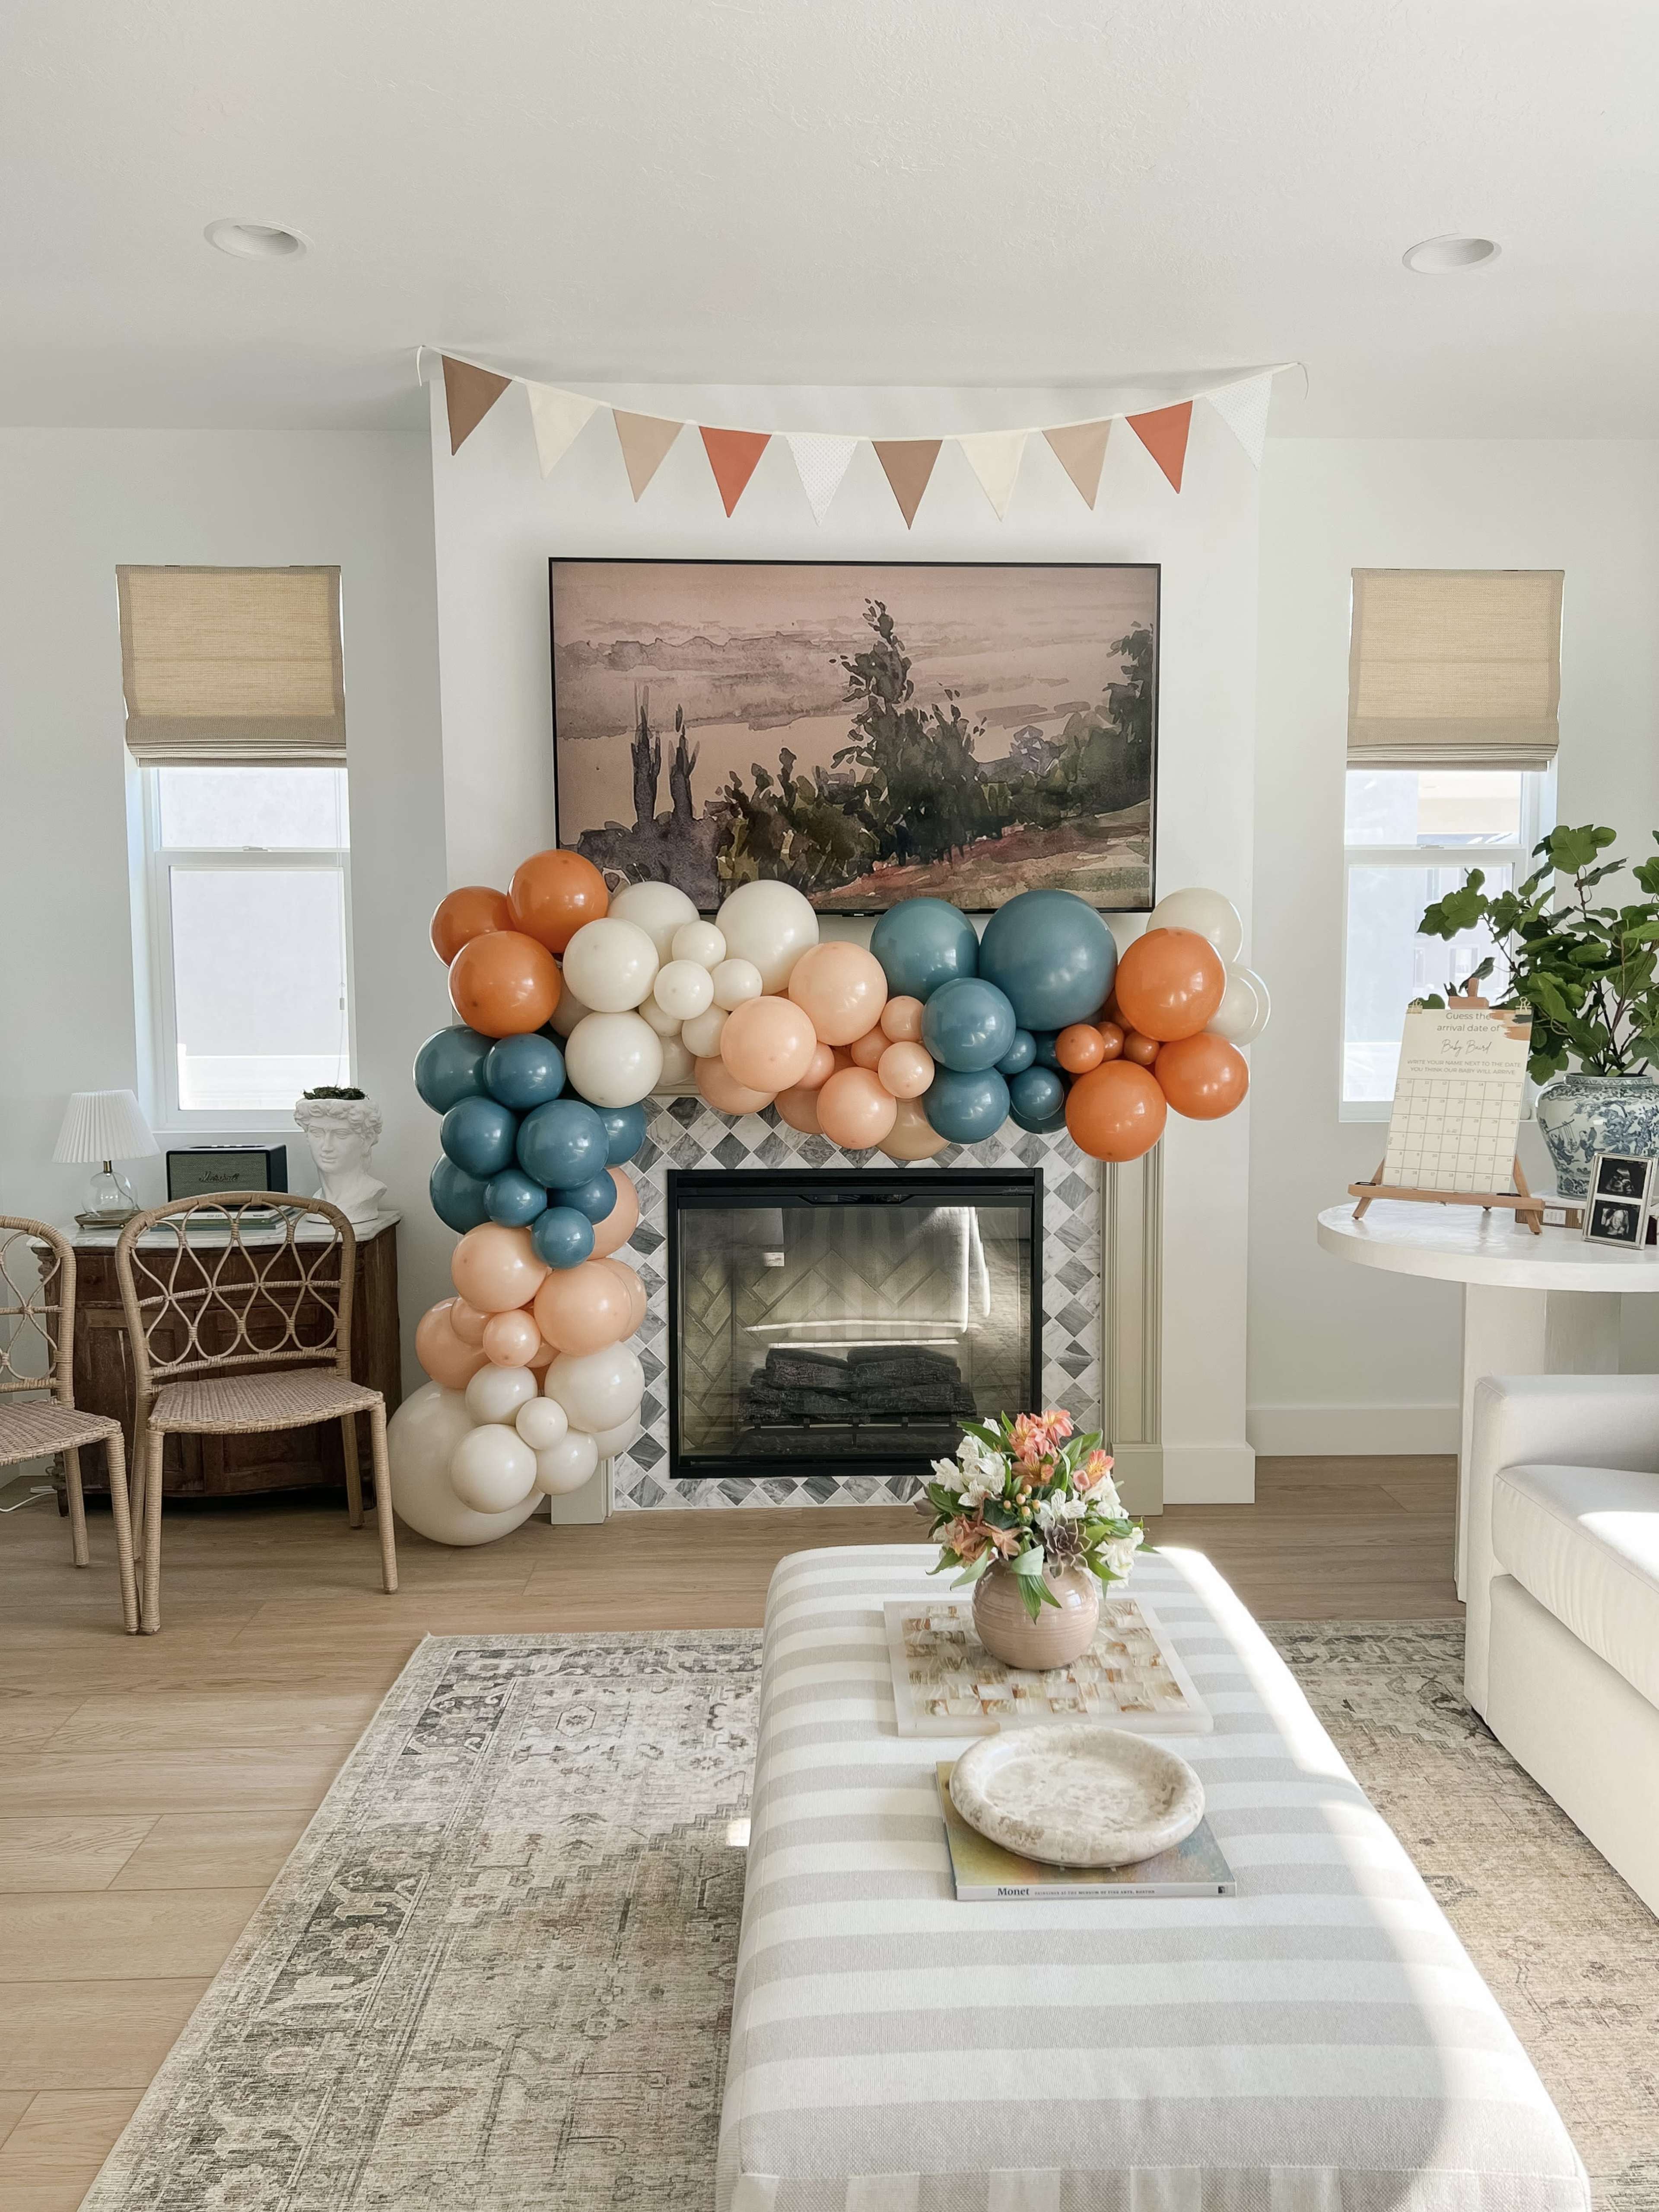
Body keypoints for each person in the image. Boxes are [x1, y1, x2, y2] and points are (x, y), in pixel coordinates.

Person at [293, 1092, 386, 1228]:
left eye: (341, 1135)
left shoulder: (370, 1192)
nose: (327, 1147)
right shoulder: (318, 1201)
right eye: (317, 1133)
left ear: (367, 1140)